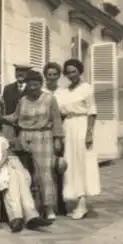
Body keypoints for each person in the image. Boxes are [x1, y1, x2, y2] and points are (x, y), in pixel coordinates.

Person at [0, 99, 53, 232]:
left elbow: (20, 146)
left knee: (22, 177)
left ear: (2, 113)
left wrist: (14, 143)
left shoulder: (8, 128)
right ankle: (23, 217)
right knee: (12, 179)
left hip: (11, 157)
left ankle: (24, 217)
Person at [4, 70, 64, 221]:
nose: (32, 88)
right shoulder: (23, 100)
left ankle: (49, 208)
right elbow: (15, 118)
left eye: (36, 85)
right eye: (30, 85)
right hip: (24, 136)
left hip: (43, 136)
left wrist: (58, 139)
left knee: (45, 172)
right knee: (25, 174)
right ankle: (30, 209)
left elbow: (56, 120)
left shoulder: (50, 99)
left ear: (41, 84)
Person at [57, 58, 101, 220]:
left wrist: (89, 133)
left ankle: (82, 204)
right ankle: (73, 202)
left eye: (73, 71)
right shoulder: (64, 91)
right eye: (68, 72)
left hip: (82, 125)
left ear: (80, 71)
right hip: (67, 127)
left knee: (83, 164)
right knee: (70, 165)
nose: (71, 75)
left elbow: (92, 111)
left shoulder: (86, 88)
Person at [43, 61, 68, 216]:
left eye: (54, 75)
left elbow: (65, 111)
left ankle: (61, 202)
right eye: (49, 75)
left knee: (59, 167)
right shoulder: (41, 91)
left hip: (60, 131)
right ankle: (47, 203)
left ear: (59, 76)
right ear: (45, 76)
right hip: (45, 133)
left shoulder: (63, 92)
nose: (51, 78)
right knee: (47, 169)